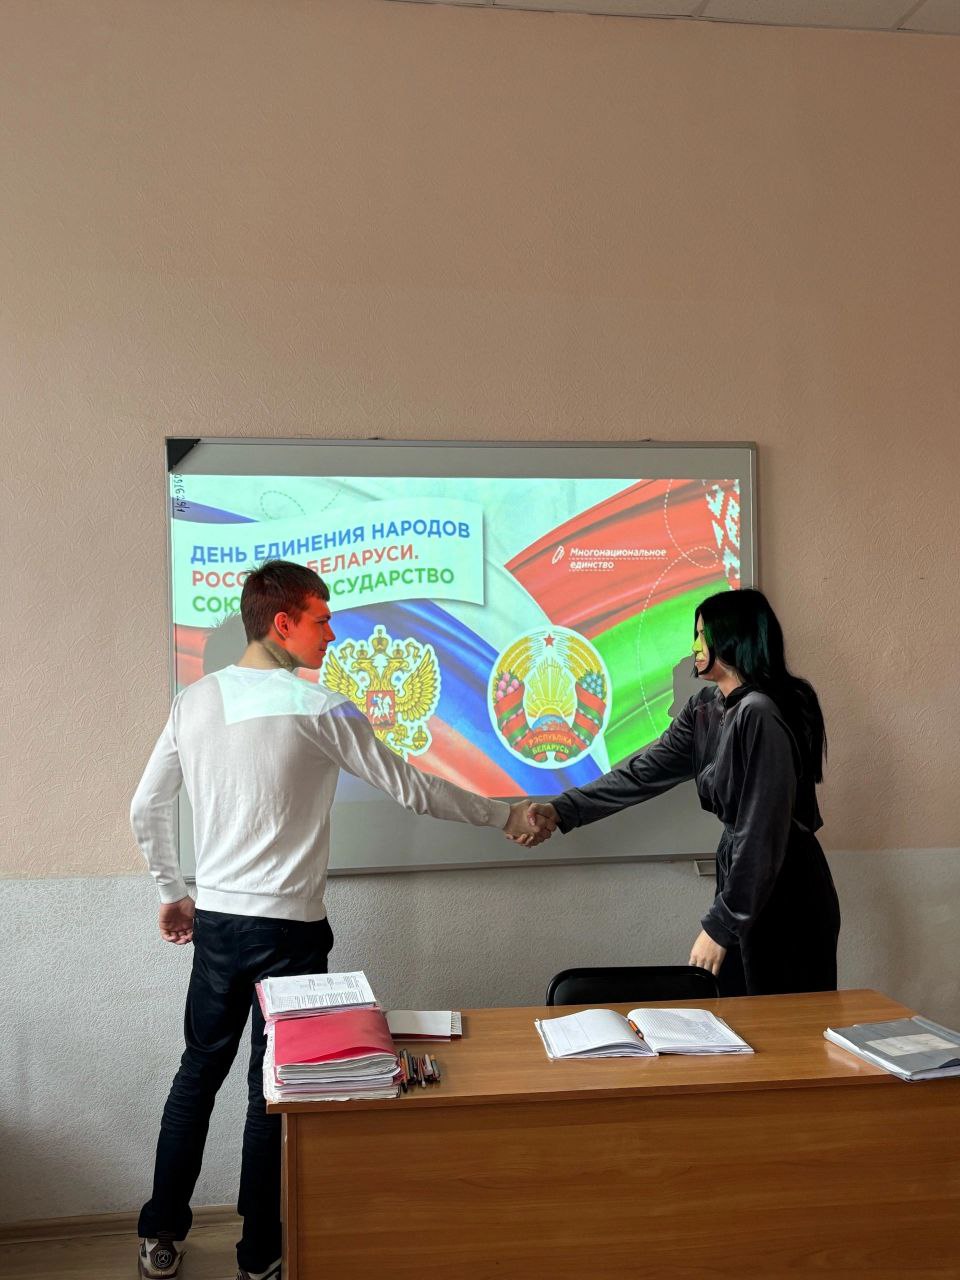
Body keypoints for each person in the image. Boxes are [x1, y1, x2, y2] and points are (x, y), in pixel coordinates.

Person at [131, 560, 550, 1280]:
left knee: (197, 1074)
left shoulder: (192, 703)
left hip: (220, 926)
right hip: (289, 932)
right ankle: (259, 1254)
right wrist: (505, 815)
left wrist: (173, 889)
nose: (332, 634)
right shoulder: (320, 708)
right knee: (274, 1089)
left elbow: (146, 806)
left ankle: (159, 1236)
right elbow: (413, 788)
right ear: (282, 622)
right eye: (321, 620)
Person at [525, 588, 840, 999]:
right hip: (745, 882)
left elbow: (762, 833)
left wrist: (721, 925)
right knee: (738, 1015)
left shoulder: (759, 713)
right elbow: (642, 773)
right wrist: (562, 809)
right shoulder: (706, 707)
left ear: (733, 638)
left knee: (781, 1025)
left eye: (702, 635)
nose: (694, 647)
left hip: (784, 889)